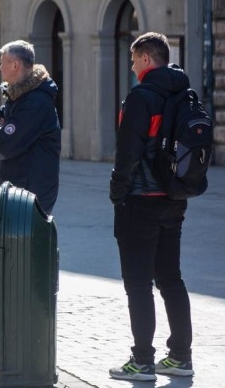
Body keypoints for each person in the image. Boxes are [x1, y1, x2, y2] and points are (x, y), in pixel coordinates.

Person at [108, 32, 194, 381]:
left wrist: (117, 193)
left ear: (146, 59)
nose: (131, 66)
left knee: (138, 283)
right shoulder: (184, 93)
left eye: (133, 60)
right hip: (175, 197)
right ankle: (180, 357)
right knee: (171, 279)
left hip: (141, 200)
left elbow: (127, 153)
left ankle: (142, 361)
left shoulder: (141, 97)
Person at [0, 40, 61, 214]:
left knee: (26, 240)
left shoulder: (35, 102)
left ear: (15, 65)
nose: (0, 67)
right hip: (15, 188)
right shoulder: (17, 96)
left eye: (3, 62)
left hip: (31, 191)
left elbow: (4, 145)